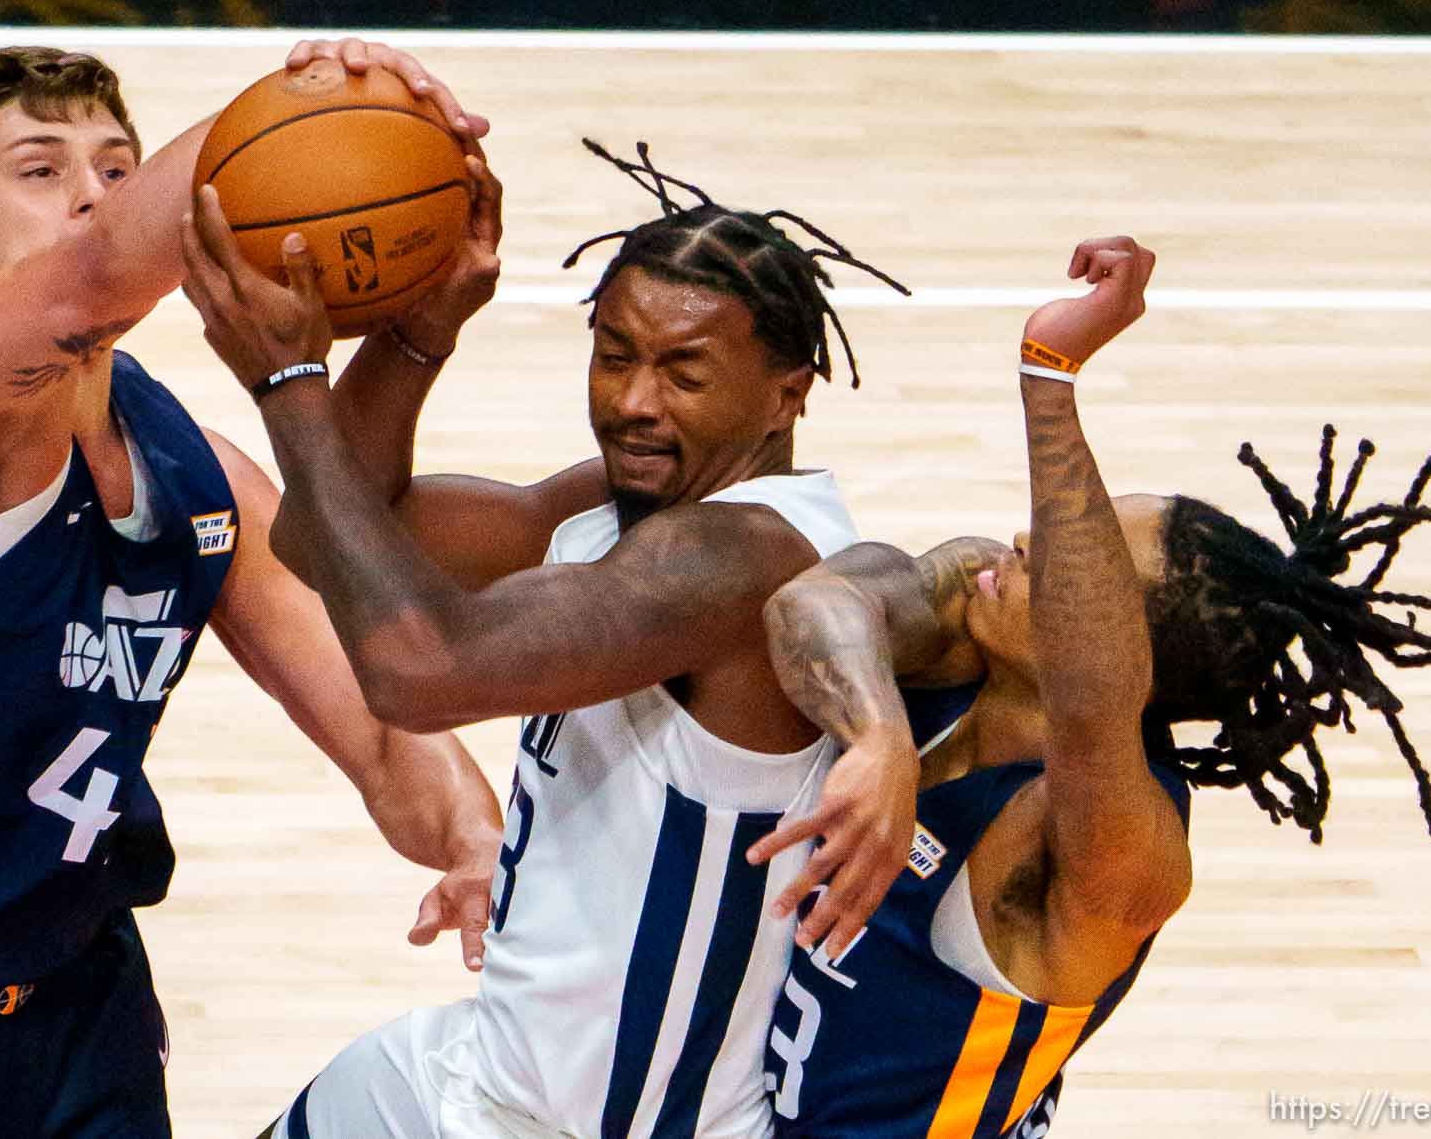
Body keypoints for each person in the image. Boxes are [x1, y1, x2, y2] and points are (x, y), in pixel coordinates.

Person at [0, 39, 507, 1139]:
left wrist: (471, 839)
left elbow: (386, 725)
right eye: (40, 169)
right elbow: (105, 266)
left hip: (81, 1013)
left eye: (119, 165)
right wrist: (324, 104)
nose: (92, 194)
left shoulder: (199, 475)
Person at [180, 139, 920, 1139]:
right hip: (480, 1070)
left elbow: (419, 671)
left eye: (684, 371)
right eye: (615, 355)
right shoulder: (612, 504)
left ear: (789, 391)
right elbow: (319, 538)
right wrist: (415, 335)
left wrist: (293, 382)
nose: (633, 402)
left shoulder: (741, 557)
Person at [751, 237, 1431, 1138]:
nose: (1027, 540)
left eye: (1077, 558)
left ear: (1121, 651)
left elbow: (1093, 709)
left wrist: (1049, 376)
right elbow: (816, 601)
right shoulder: (969, 633)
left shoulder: (1123, 855)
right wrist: (877, 734)